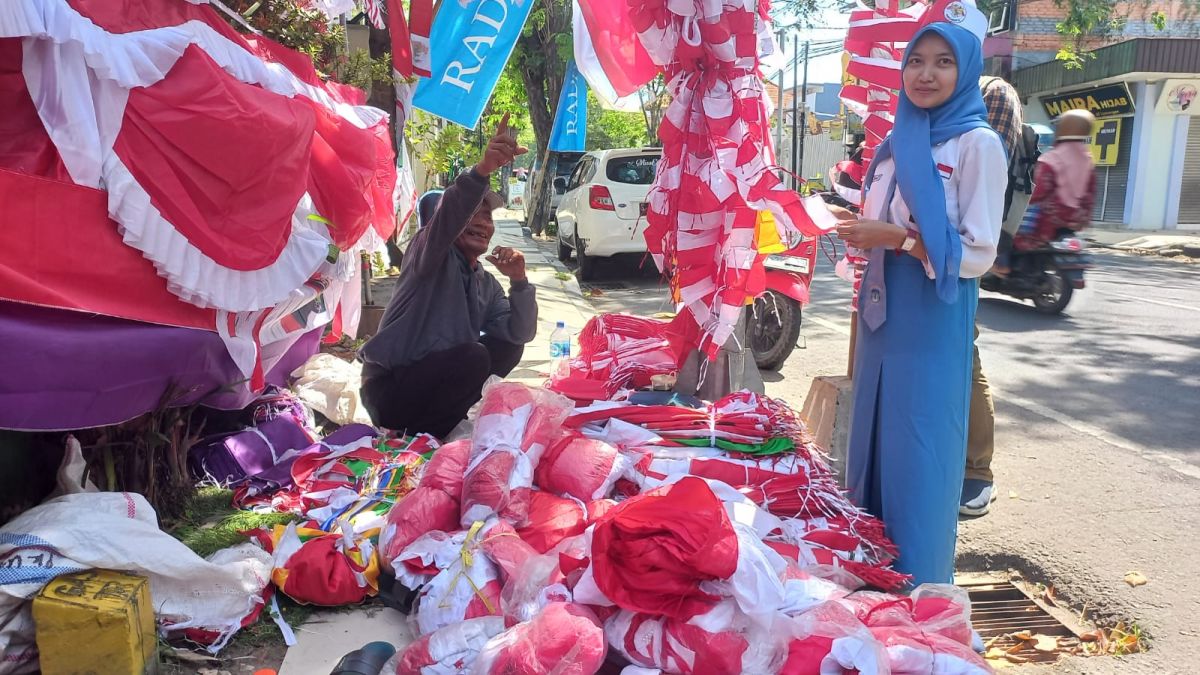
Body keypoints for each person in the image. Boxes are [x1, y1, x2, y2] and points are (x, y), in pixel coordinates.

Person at [834, 5, 1006, 586]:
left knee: (919, 464)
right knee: (873, 451)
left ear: (968, 71)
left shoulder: (977, 145)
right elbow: (879, 218)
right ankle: (874, 587)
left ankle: (922, 599)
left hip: (932, 319)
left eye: (943, 62)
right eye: (916, 61)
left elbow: (979, 253)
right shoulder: (893, 143)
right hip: (883, 319)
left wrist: (901, 241)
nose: (925, 74)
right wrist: (848, 223)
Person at [359, 114, 535, 438]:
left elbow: (521, 332)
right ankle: (423, 438)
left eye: (488, 216)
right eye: (474, 213)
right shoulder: (428, 256)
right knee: (473, 356)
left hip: (431, 381)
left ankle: (441, 423)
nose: (483, 222)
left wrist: (520, 282)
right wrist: (483, 169)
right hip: (389, 390)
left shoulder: (486, 282)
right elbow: (449, 213)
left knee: (510, 345)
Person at [959, 74, 1022, 518]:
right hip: (917, 258)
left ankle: (977, 471)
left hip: (959, 252)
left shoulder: (992, 91)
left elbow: (983, 175)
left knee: (965, 355)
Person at [1019, 109, 1097, 247]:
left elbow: (1039, 191)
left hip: (1047, 220)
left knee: (1017, 218)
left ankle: (1004, 262)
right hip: (1076, 219)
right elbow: (1091, 192)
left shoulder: (1052, 158)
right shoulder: (1088, 159)